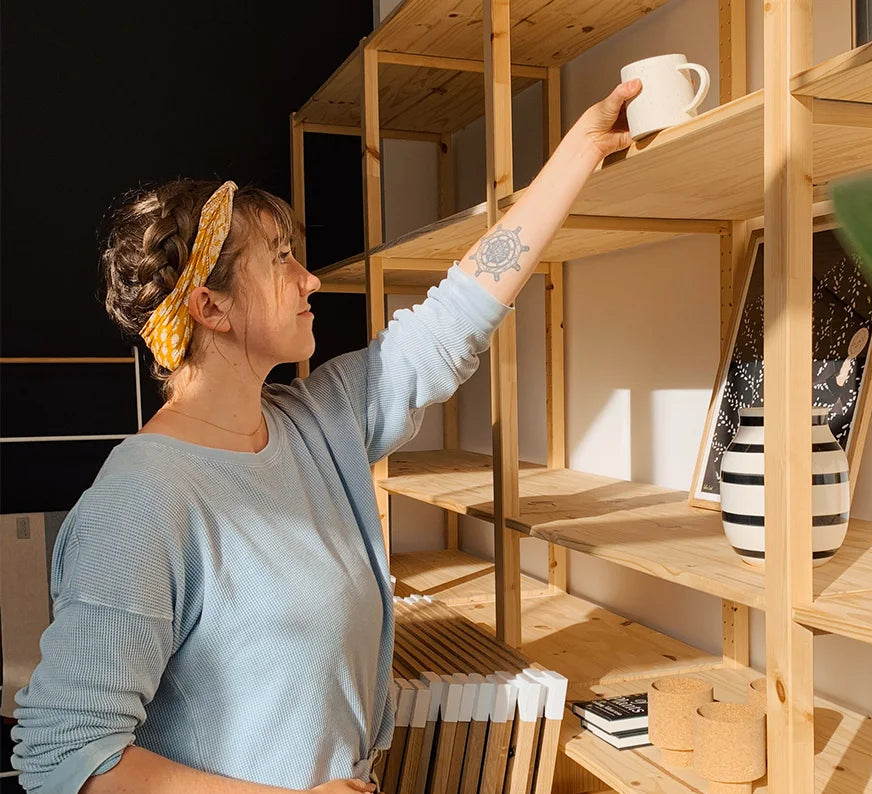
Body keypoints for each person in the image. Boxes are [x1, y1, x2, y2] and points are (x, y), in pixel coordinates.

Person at [12, 78, 643, 794]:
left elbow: (453, 319)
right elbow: (65, 758)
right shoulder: (140, 505)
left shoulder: (316, 424)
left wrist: (575, 156)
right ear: (209, 305)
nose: (309, 279)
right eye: (280, 257)